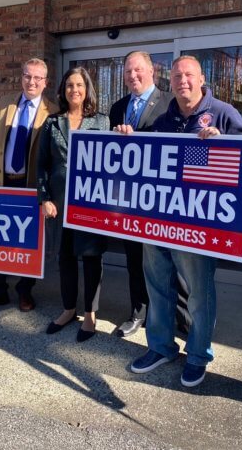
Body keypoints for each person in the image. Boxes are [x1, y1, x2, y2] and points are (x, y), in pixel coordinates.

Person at [121, 55, 242, 387]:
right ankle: (161, 346)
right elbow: (147, 161)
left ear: (202, 78)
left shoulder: (223, 113)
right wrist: (125, 141)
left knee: (198, 294)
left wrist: (226, 144)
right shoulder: (165, 120)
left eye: (189, 75)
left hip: (199, 228)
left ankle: (197, 356)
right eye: (177, 76)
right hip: (160, 221)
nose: (183, 81)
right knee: (158, 287)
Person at [0, 58, 58, 314]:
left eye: (38, 78)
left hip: (29, 187)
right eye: (28, 76)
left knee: (26, 242)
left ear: (45, 82)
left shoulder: (53, 110)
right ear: (22, 78)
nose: (32, 82)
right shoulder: (4, 103)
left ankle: (24, 292)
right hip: (0, 183)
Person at [37, 67, 110, 343]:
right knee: (65, 258)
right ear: (63, 90)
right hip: (59, 204)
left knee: (92, 259)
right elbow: (42, 164)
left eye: (79, 85)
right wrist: (44, 198)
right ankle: (69, 309)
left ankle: (91, 315)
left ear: (87, 89)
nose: (74, 90)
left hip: (91, 204)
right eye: (69, 85)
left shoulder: (102, 122)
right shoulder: (52, 123)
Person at [108, 51, 169, 337]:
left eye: (138, 70)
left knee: (164, 262)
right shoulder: (117, 107)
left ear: (152, 71)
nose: (133, 76)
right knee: (134, 258)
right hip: (128, 199)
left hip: (160, 199)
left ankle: (167, 314)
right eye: (128, 72)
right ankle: (138, 312)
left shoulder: (169, 103)